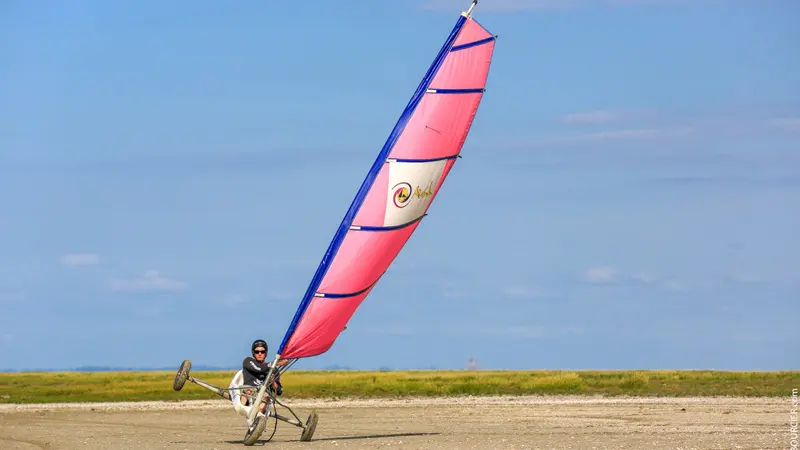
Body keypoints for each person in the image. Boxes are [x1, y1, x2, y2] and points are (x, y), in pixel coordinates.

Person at [241, 339, 283, 415]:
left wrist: (273, 381)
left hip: (263, 397)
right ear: (253, 353)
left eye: (262, 352)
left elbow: (279, 391)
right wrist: (275, 363)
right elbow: (259, 368)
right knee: (247, 391)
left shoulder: (273, 370)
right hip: (248, 393)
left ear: (266, 353)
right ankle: (244, 411)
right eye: (257, 352)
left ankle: (258, 416)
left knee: (266, 397)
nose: (259, 354)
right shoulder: (248, 361)